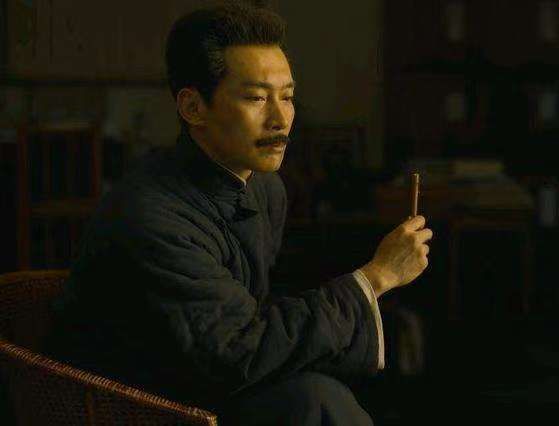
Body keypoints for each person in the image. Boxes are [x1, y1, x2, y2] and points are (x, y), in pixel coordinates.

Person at [45, 2, 433, 425]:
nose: (280, 118)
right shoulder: (151, 216)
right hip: (127, 404)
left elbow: (250, 318)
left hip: (205, 377)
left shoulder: (265, 186)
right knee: (313, 399)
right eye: (256, 98)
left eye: (288, 97)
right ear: (193, 107)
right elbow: (236, 351)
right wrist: (376, 278)